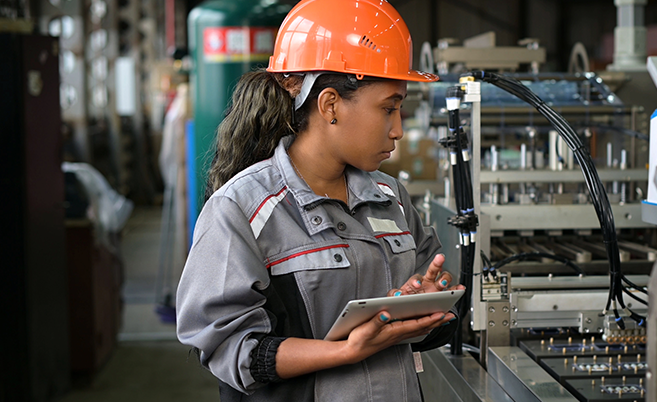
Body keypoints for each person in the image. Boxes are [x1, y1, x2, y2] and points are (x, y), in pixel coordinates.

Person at [175, 0, 463, 400]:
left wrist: (433, 299)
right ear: (330, 105)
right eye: (389, 109)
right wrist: (343, 351)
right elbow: (227, 345)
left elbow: (437, 298)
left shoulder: (390, 198)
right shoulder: (241, 208)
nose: (398, 130)